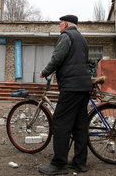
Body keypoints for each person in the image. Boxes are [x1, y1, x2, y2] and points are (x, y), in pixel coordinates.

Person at [38, 15, 92, 175]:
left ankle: (59, 164)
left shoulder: (66, 36)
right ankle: (79, 163)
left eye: (60, 23)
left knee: (60, 123)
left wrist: (45, 72)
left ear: (66, 24)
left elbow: (57, 58)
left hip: (71, 86)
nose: (59, 26)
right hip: (84, 86)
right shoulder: (82, 39)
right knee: (80, 126)